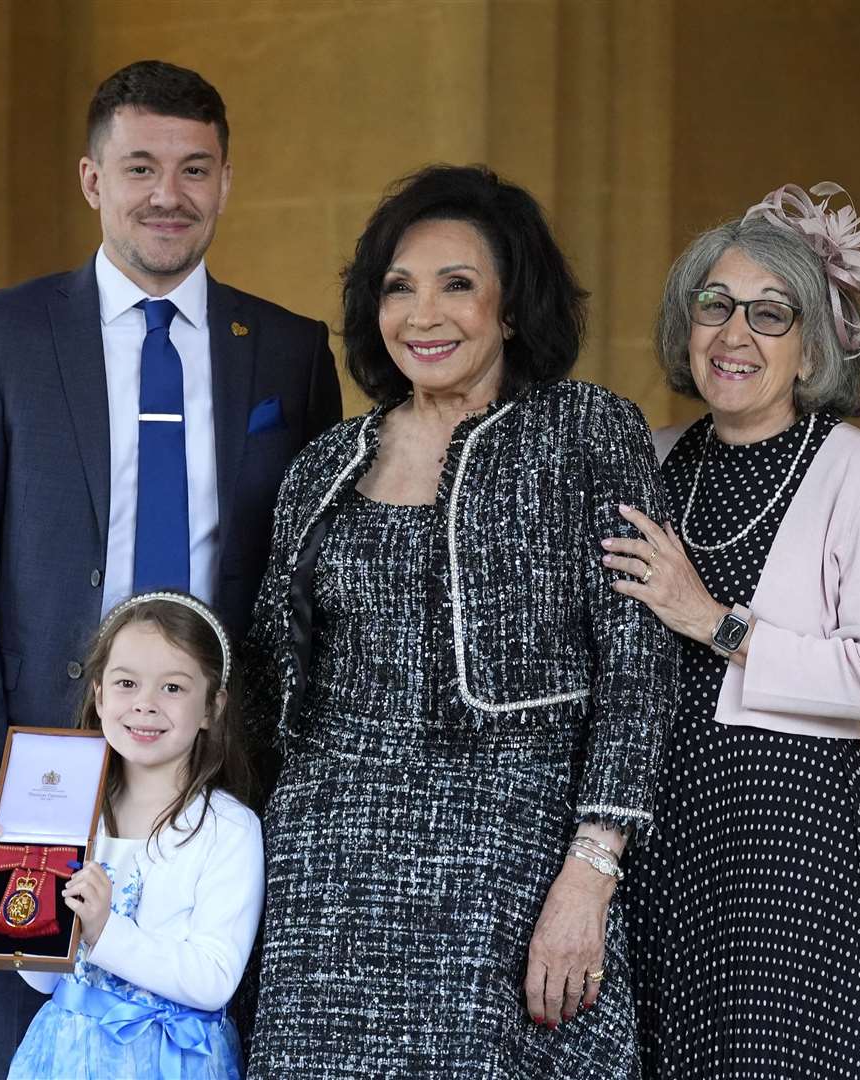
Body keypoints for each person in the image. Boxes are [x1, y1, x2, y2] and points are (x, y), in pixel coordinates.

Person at [0, 60, 340, 1078]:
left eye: (195, 169)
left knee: (204, 1037)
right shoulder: (4, 336)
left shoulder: (284, 350)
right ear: (91, 179)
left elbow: (313, 577)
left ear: (226, 183)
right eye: (140, 166)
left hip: (218, 767)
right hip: (43, 773)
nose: (169, 194)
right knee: (34, 1045)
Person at [241, 164, 676, 1079]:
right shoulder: (323, 464)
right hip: (326, 870)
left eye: (457, 285)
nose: (422, 313)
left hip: (507, 864)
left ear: (511, 308)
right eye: (398, 288)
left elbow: (636, 670)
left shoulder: (586, 432)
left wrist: (589, 875)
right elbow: (268, 687)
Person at [605, 183, 860, 1078]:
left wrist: (712, 621)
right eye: (713, 306)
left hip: (785, 835)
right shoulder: (654, 459)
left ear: (811, 346)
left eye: (768, 313)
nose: (733, 334)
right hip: (656, 825)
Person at [0, 591, 264, 1080]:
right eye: (126, 683)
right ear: (99, 695)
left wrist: (105, 930)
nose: (145, 704)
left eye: (173, 688)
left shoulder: (227, 829)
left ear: (212, 706)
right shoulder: (68, 815)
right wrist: (0, 889)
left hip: (172, 1062)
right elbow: (40, 979)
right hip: (62, 1057)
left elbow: (213, 979)